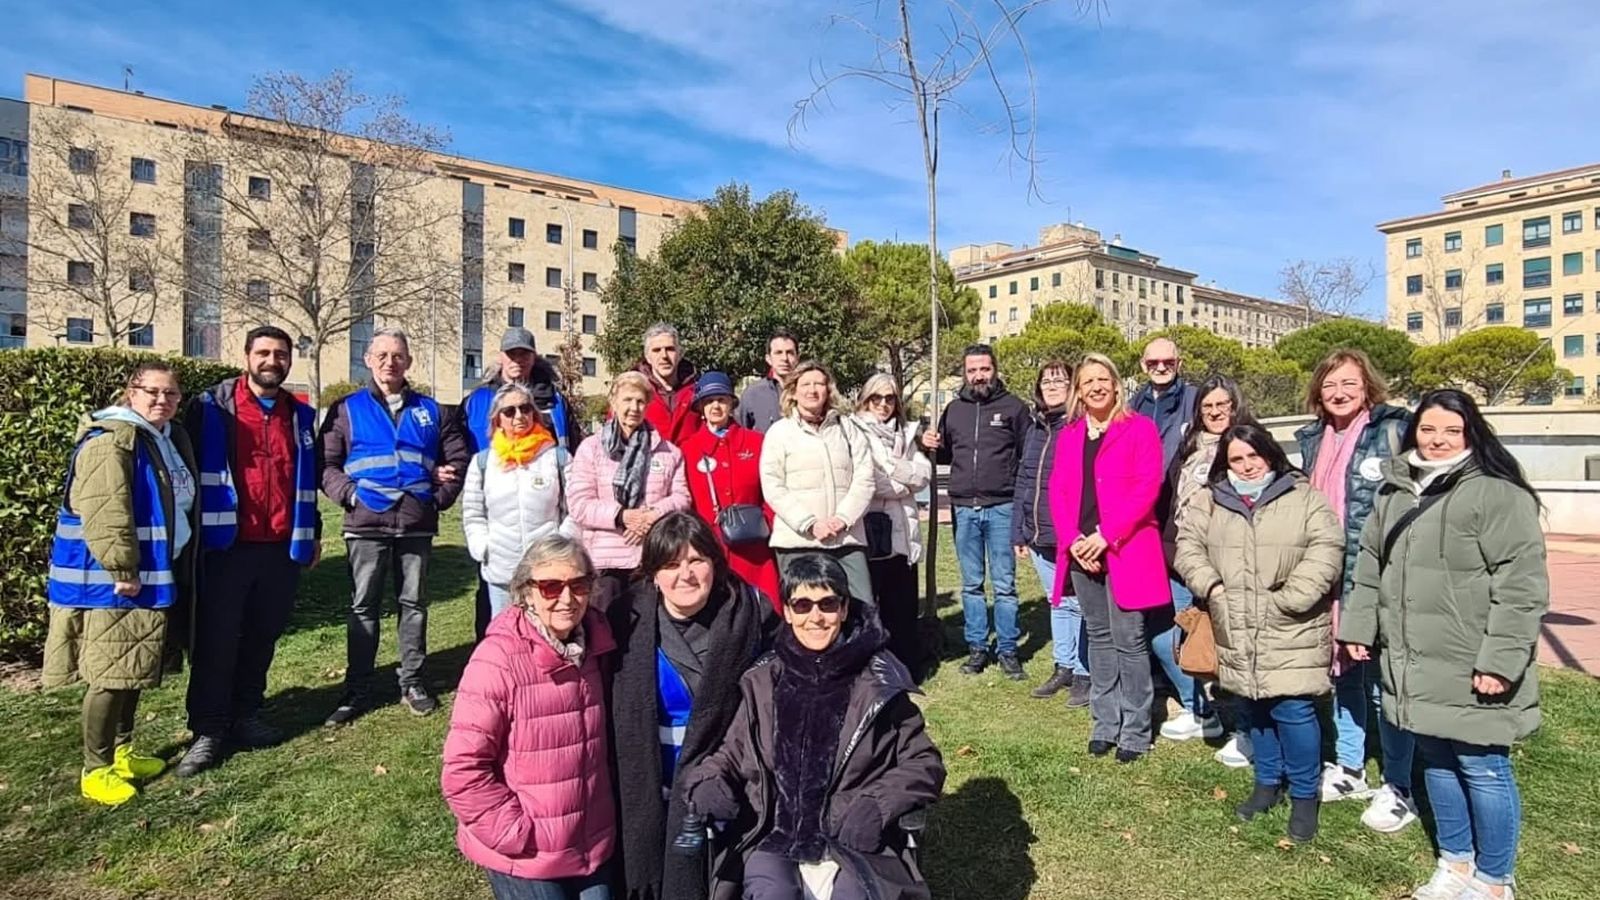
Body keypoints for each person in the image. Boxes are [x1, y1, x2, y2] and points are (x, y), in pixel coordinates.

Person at [1341, 390, 1547, 900]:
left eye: (1451, 431)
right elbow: (1369, 567)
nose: (1437, 440)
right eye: (1428, 430)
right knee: (1434, 759)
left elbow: (1521, 589)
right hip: (1410, 660)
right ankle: (1456, 864)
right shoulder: (1395, 492)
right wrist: (1358, 629)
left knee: (1483, 767)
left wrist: (1500, 661)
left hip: (1472, 659)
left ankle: (1495, 879)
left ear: (1470, 433)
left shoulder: (1498, 494)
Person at [682, 553, 945, 900]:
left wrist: (877, 805)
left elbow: (924, 763)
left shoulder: (877, 682)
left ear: (844, 608)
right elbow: (732, 753)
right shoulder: (764, 680)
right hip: (773, 833)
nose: (816, 617)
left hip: (851, 838)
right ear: (788, 612)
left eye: (827, 604)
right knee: (769, 893)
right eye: (802, 605)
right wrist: (708, 781)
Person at [1174, 421, 1345, 844]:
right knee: (1254, 708)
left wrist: (1294, 596)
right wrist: (1212, 588)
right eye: (1236, 458)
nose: (1247, 465)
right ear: (1224, 463)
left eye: (1254, 455)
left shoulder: (1302, 496)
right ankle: (1267, 783)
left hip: (1290, 624)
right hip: (1234, 621)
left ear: (1269, 454)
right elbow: (1187, 547)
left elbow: (1328, 547)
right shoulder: (1210, 501)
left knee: (1293, 709)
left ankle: (1305, 795)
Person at [44, 361, 199, 806]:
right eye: (151, 391)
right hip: (113, 581)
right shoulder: (110, 440)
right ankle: (96, 769)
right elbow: (106, 511)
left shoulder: (162, 438)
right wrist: (123, 569)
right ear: (130, 392)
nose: (161, 401)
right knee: (109, 677)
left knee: (132, 666)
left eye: (170, 394)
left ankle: (124, 752)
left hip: (152, 572)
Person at [174, 326, 322, 778]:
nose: (271, 361)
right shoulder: (211, 408)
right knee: (216, 640)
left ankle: (247, 713)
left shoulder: (300, 415)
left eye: (280, 354)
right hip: (226, 548)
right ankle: (209, 729)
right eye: (263, 353)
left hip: (280, 547)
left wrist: (312, 531)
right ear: (246, 357)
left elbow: (307, 479)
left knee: (262, 635)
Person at [606, 512, 777, 900]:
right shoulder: (625, 619)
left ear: (715, 563)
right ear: (652, 572)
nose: (686, 575)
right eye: (670, 564)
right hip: (646, 779)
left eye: (697, 560)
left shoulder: (749, 613)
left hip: (727, 779)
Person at [441, 535, 616, 900]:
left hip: (592, 842)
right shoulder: (498, 660)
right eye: (551, 587)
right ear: (526, 592)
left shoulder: (600, 647)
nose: (567, 599)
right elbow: (462, 771)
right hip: (528, 853)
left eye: (579, 585)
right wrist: (513, 833)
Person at [319, 328, 471, 725]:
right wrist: (350, 496)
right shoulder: (346, 409)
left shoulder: (432, 411)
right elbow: (327, 465)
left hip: (415, 525)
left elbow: (458, 460)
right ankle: (358, 688)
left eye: (398, 356)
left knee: (414, 606)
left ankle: (412, 681)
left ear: (409, 362)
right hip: (365, 524)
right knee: (363, 608)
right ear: (368, 359)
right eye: (382, 355)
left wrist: (437, 500)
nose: (391, 362)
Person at [1294, 348, 1415, 825]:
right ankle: (1349, 765)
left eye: (1349, 383)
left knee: (1388, 680)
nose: (1339, 393)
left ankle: (1399, 782)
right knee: (1344, 671)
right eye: (1330, 385)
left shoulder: (1392, 431)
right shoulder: (1314, 438)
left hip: (1379, 574)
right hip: (1329, 572)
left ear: (1368, 387)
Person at [1047, 353, 1171, 763]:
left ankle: (1135, 730)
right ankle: (1105, 723)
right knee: (1098, 638)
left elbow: (1146, 489)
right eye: (1088, 382)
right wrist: (1074, 539)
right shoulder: (1069, 436)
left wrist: (1105, 536)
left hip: (1126, 549)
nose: (1097, 387)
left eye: (1104, 379)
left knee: (1130, 640)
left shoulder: (1139, 430)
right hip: (1082, 549)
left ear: (1117, 385)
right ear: (1078, 391)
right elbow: (1059, 492)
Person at [460, 326, 584, 642]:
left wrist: (562, 540)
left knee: (548, 627)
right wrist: (482, 545)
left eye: (524, 353)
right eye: (511, 353)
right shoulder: (478, 401)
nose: (518, 416)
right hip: (499, 556)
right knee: (500, 629)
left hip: (547, 552)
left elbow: (574, 495)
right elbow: (471, 504)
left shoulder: (556, 402)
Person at [1150, 375, 1249, 747]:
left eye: (1222, 405)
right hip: (1178, 557)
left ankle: (1247, 729)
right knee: (1165, 638)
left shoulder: (1247, 445)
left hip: (1225, 562)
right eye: (1208, 406)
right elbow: (1170, 496)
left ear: (1235, 406)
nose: (1215, 412)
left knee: (1232, 647)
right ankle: (1202, 712)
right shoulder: (1189, 445)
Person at [920, 344, 1029, 678]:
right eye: (972, 370)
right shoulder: (953, 410)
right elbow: (946, 454)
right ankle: (978, 648)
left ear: (995, 369)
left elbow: (1026, 458)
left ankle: (1008, 649)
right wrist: (929, 445)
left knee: (1005, 584)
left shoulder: (1014, 408)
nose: (978, 375)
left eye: (984, 369)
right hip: (964, 509)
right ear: (964, 374)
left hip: (1002, 507)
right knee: (971, 584)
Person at [567, 372, 692, 609]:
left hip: (651, 557)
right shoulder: (591, 449)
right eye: (627, 400)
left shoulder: (668, 453)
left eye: (640, 401)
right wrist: (622, 516)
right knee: (605, 637)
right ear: (613, 402)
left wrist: (651, 516)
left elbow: (682, 497)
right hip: (605, 563)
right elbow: (579, 504)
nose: (633, 407)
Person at [760, 360, 876, 604]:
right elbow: (772, 485)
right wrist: (810, 524)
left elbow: (865, 478)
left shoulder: (848, 429)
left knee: (860, 606)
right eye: (806, 384)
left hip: (846, 539)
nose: (813, 390)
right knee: (805, 610)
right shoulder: (780, 433)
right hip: (798, 541)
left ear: (828, 389)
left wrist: (843, 519)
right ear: (793, 391)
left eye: (819, 384)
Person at [1012, 360, 1091, 707]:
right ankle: (1065, 666)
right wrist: (1019, 531)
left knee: (1080, 604)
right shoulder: (1035, 429)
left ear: (1073, 386)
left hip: (1069, 534)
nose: (1052, 385)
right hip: (1038, 533)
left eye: (1060, 380)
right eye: (1046, 380)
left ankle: (1085, 672)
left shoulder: (1079, 427)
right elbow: (1024, 481)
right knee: (1056, 602)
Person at [678, 371, 782, 609]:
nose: (716, 406)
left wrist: (766, 522)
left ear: (732, 404)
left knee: (765, 611)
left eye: (722, 400)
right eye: (709, 401)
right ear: (701, 408)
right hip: (710, 548)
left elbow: (772, 489)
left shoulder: (756, 442)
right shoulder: (688, 449)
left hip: (755, 547)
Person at [852, 372, 932, 680]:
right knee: (872, 609)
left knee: (904, 608)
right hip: (874, 532)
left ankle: (906, 671)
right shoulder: (856, 430)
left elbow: (924, 474)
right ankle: (874, 672)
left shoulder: (906, 431)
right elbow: (873, 481)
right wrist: (907, 480)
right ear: (866, 399)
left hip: (904, 534)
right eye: (877, 398)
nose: (883, 404)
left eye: (889, 398)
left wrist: (900, 472)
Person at [1129, 337, 1198, 467]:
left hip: (1181, 484)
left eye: (1169, 362)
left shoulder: (1196, 400)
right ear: (1143, 365)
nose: (1161, 368)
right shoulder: (1132, 406)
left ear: (1179, 364)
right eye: (1153, 363)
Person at [636, 322, 702, 446]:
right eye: (657, 350)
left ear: (680, 353)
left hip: (690, 464)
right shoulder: (633, 392)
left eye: (670, 349)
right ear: (647, 357)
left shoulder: (699, 392)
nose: (664, 356)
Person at [740, 328, 799, 434]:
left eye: (790, 353)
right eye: (778, 353)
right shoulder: (753, 394)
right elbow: (740, 435)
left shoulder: (808, 392)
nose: (784, 358)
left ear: (797, 357)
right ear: (768, 359)